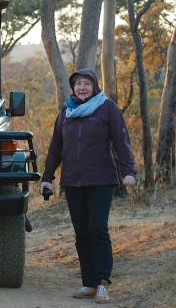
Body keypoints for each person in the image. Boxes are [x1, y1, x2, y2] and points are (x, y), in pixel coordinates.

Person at [39, 69, 136, 303]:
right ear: (73, 88)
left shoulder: (107, 108)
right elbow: (56, 147)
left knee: (97, 229)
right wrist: (47, 177)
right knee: (81, 232)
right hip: (73, 181)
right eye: (78, 84)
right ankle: (88, 283)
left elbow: (122, 141)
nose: (82, 88)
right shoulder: (66, 111)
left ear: (95, 86)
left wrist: (128, 171)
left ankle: (103, 282)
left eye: (87, 84)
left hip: (101, 180)